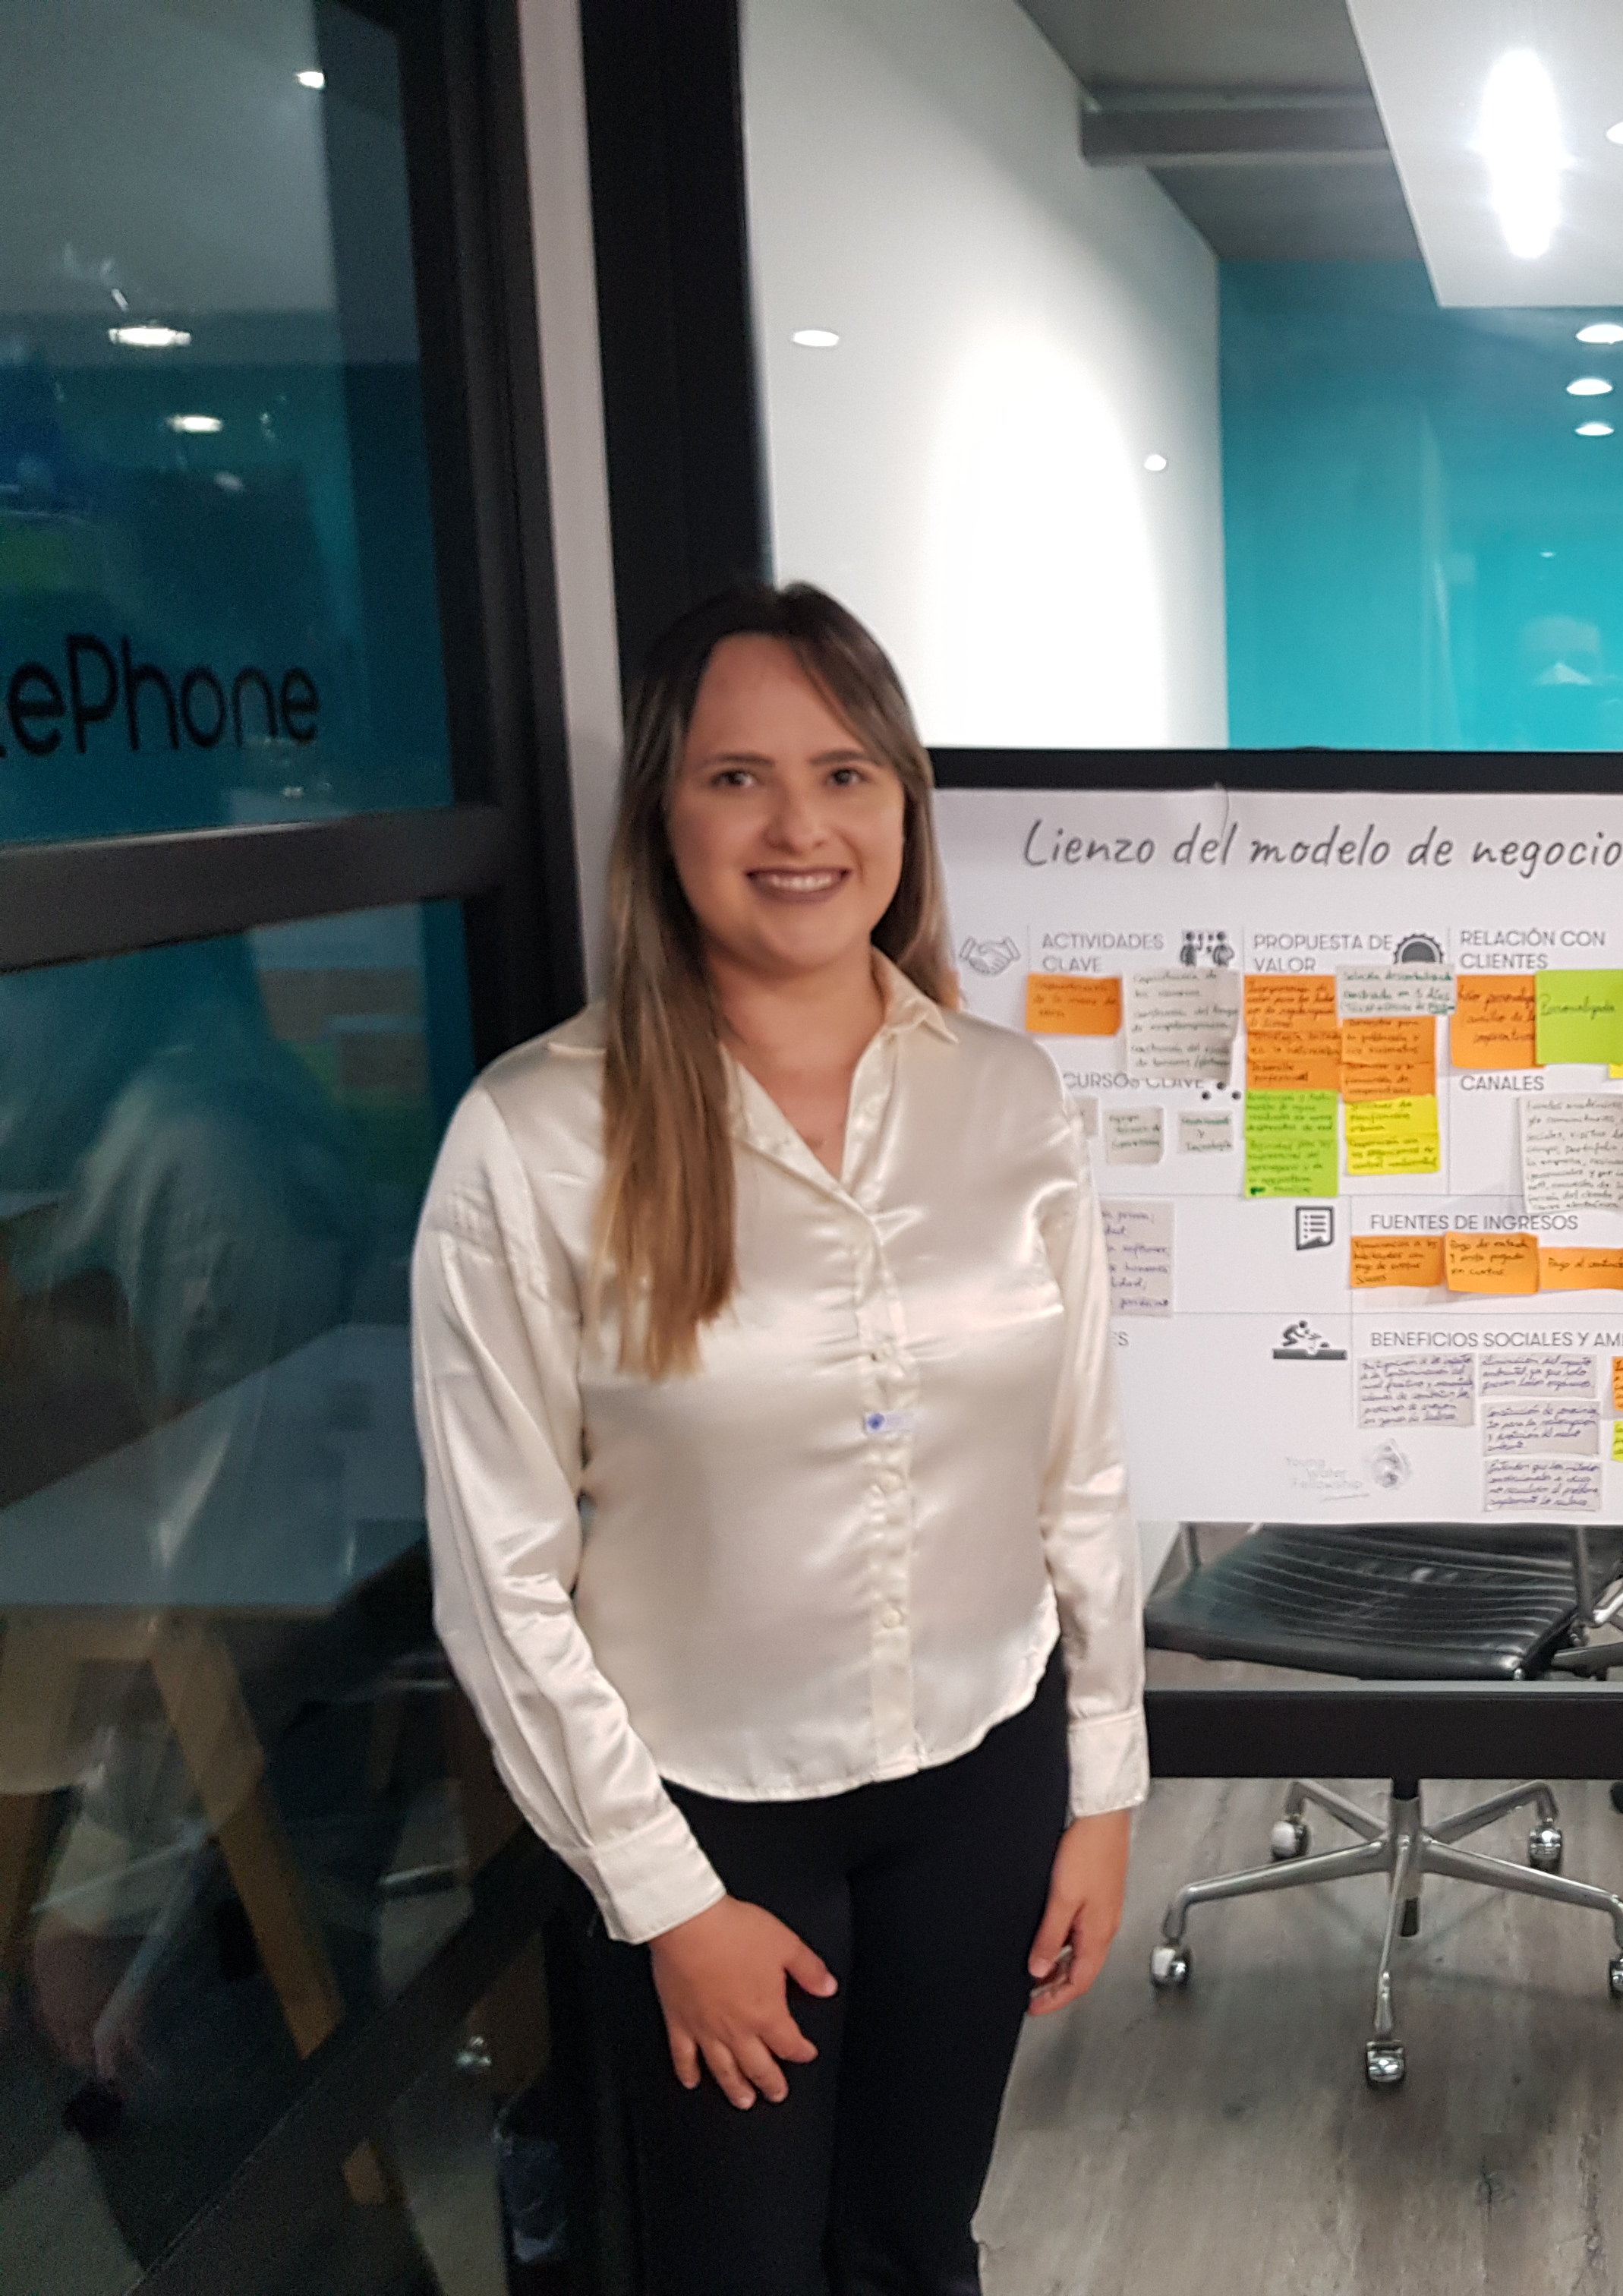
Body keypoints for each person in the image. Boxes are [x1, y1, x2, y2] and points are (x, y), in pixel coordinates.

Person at [414, 583, 1144, 2295]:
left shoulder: (1009, 1097)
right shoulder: (535, 1140)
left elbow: (1082, 1471)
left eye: (845, 773)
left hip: (982, 1778)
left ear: (903, 808)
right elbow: (502, 1579)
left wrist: (1105, 1785)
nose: (800, 825)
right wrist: (665, 1899)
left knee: (914, 2250)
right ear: (663, 817)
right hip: (710, 1815)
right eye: (738, 777)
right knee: (736, 2270)